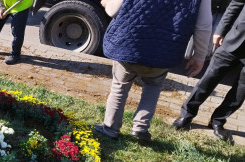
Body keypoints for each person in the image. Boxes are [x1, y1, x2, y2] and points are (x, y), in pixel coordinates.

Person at [94, 0, 212, 141]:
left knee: (120, 85)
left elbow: (113, 11)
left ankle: (110, 128)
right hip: (165, 49)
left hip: (129, 42)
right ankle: (140, 128)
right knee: (153, 86)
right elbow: (203, 26)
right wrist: (199, 56)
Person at [173, 0, 245, 145]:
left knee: (241, 91)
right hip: (234, 40)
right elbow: (236, 5)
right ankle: (187, 114)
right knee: (209, 78)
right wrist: (220, 30)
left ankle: (218, 121)